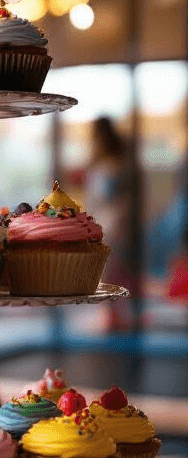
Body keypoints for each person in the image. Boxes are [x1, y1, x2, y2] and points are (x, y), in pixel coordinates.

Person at [82, 116, 136, 329]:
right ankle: (112, 313)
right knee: (110, 270)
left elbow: (112, 197)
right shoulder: (108, 162)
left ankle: (114, 314)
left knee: (111, 270)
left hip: (112, 222)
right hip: (108, 221)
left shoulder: (112, 164)